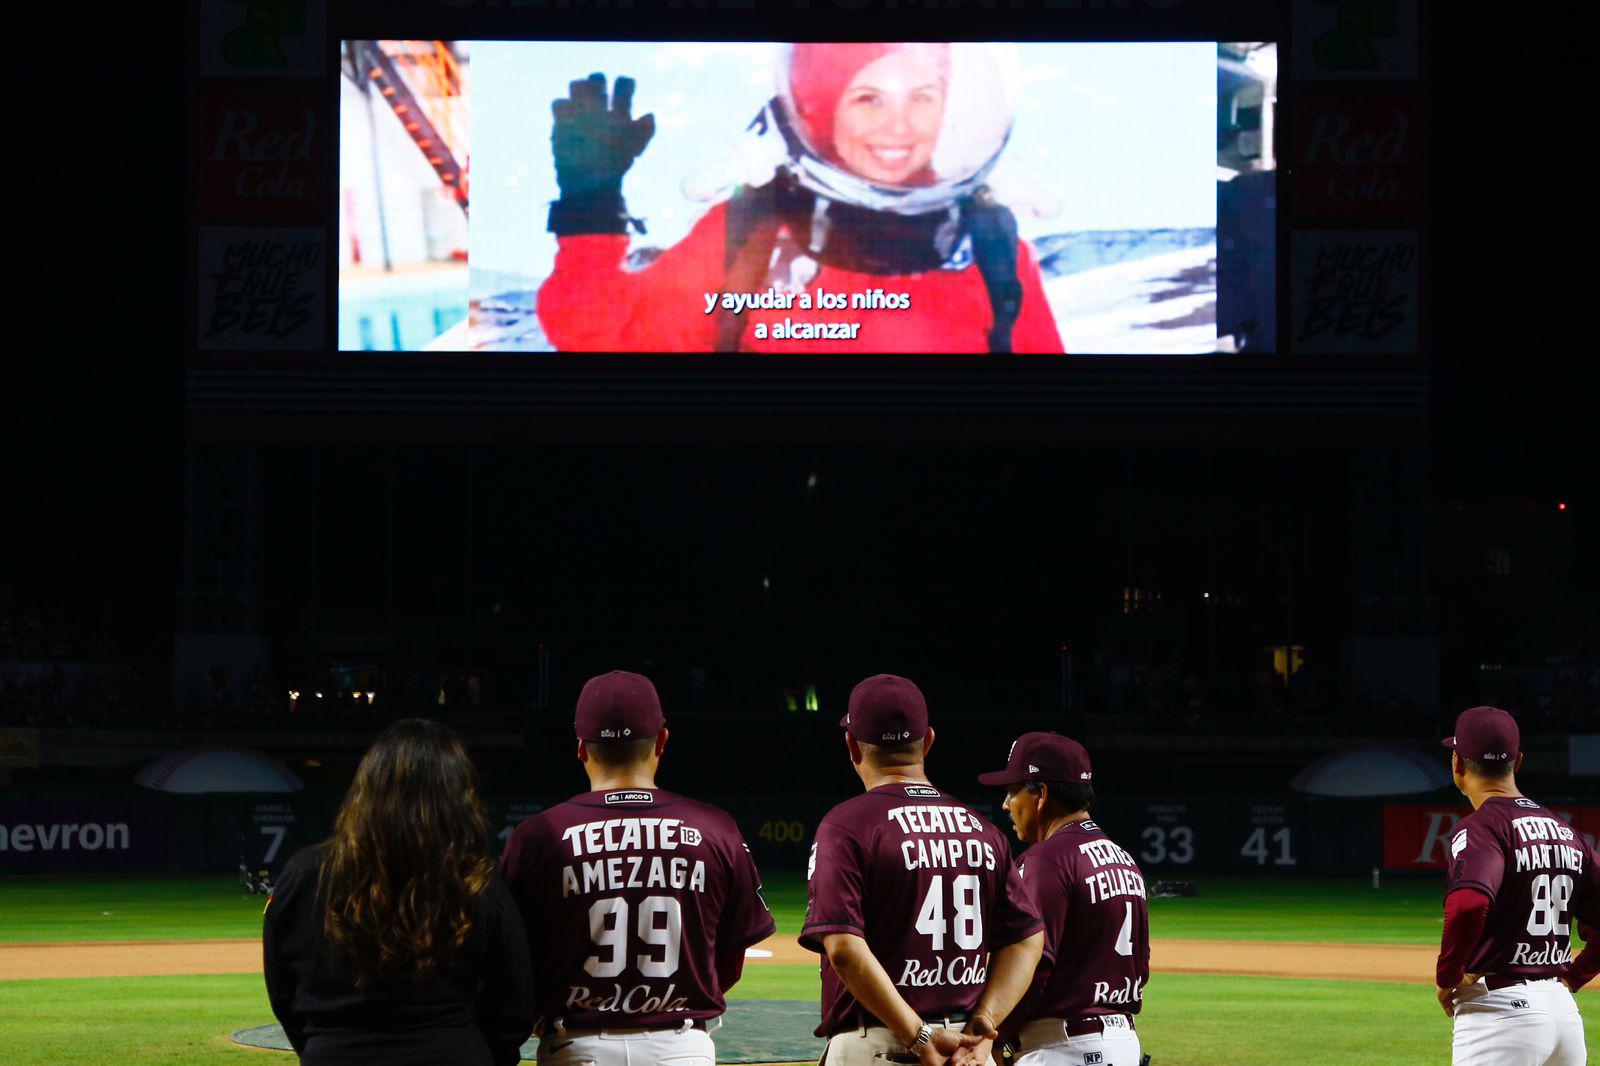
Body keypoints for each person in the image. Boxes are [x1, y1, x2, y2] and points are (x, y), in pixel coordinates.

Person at [536, 43, 1065, 353]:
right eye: (868, 98)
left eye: (923, 97)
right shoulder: (754, 234)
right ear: (822, 108)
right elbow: (606, 333)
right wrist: (591, 203)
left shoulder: (991, 250)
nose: (899, 125)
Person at [501, 670, 775, 1066]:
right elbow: (729, 960)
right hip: (681, 1047)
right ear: (662, 741)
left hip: (575, 1046)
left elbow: (512, 959)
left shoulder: (537, 837)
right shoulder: (716, 829)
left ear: (580, 747)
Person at [802, 673, 1044, 1066]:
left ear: (851, 746)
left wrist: (918, 1036)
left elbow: (844, 949)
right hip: (966, 1052)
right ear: (928, 741)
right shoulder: (983, 831)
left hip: (880, 1044)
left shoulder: (846, 826)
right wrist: (983, 1023)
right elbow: (1027, 939)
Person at [263, 719, 534, 1065]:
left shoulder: (303, 875)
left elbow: (284, 993)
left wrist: (324, 1046)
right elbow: (514, 1006)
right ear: (457, 796)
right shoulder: (477, 880)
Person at [1434, 705, 1598, 1065]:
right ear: (1518, 762)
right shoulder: (1567, 832)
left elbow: (1469, 904)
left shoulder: (1481, 828)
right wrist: (1574, 977)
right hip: (1563, 1014)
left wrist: (1448, 975)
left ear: (1457, 764)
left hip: (1500, 1014)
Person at [977, 732, 1150, 1066]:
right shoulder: (1123, 859)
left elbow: (1033, 963)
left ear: (1040, 794)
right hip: (1123, 1042)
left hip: (1061, 1049)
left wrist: (993, 1033)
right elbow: (1140, 965)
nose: (1005, 805)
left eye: (1012, 791)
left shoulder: (1047, 859)